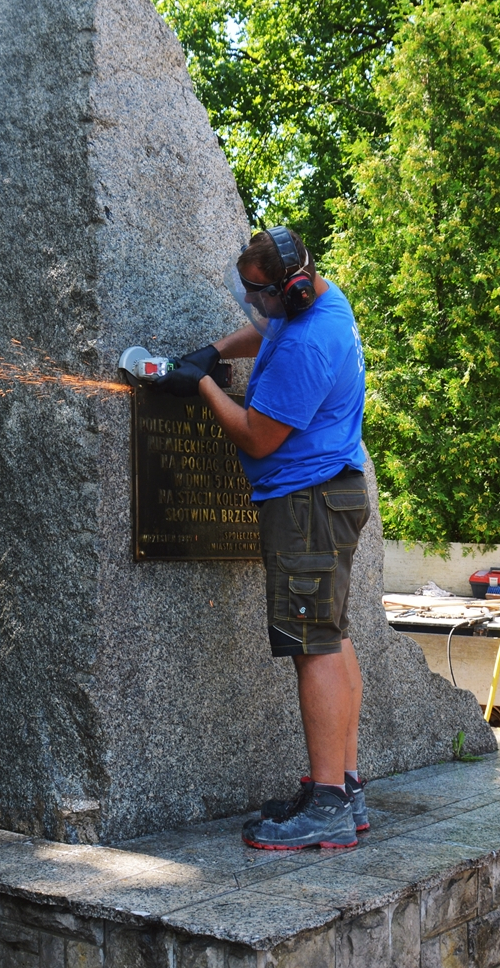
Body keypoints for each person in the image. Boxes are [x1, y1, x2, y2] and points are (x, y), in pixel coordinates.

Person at [157, 226, 369, 850]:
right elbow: (265, 330)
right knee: (330, 637)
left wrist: (201, 384)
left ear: (290, 289)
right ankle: (344, 787)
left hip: (306, 504)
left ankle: (328, 805)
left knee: (313, 647)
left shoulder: (307, 344)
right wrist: (215, 349)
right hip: (331, 493)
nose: (252, 305)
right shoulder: (325, 301)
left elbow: (254, 436)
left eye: (258, 294)